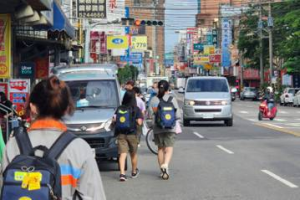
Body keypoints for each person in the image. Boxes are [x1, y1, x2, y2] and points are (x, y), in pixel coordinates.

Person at [1, 76, 106, 200]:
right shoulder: (79, 148)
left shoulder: (13, 145)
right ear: (66, 108)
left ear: (33, 107)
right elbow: (94, 196)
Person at [148, 80, 181, 180]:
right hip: (170, 128)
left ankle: (162, 171)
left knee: (160, 149)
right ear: (168, 89)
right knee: (169, 148)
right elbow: (178, 115)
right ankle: (166, 165)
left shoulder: (153, 100)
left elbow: (150, 114)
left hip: (158, 128)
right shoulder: (172, 99)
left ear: (158, 88)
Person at [114, 90, 143, 182]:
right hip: (132, 134)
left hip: (121, 134)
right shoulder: (136, 108)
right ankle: (134, 172)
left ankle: (122, 174)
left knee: (122, 154)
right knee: (133, 154)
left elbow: (114, 119)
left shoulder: (119, 108)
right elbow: (139, 122)